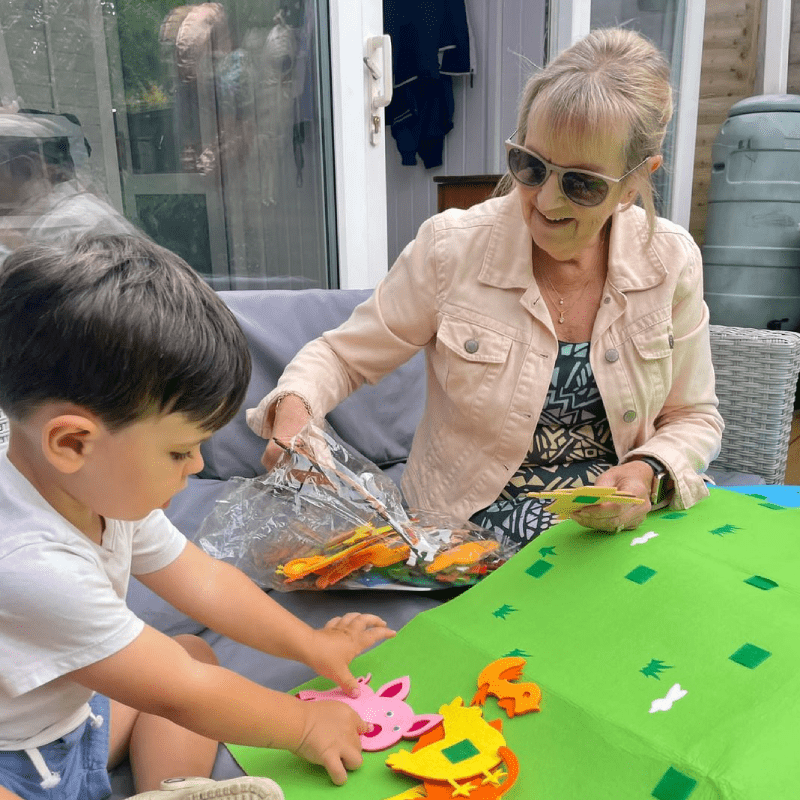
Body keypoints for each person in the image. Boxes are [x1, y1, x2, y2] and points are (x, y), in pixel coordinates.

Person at [248, 28, 724, 546]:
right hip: (471, 528)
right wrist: (295, 411)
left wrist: (648, 470)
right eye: (530, 166)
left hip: (621, 529)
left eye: (581, 183)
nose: (544, 200)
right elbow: (342, 357)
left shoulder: (671, 261)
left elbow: (693, 416)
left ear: (636, 180)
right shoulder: (451, 249)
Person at [0, 234, 395, 800]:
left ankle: (170, 789)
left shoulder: (96, 489)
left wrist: (309, 645)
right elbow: (182, 694)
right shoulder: (30, 564)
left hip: (76, 723)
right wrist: (303, 725)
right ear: (71, 442)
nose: (199, 465)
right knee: (184, 681)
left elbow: (206, 583)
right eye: (179, 451)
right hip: (16, 763)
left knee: (192, 652)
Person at [0, 109, 136, 267]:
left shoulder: (66, 224)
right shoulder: (54, 208)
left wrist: (14, 243)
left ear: (27, 167)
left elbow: (39, 285)